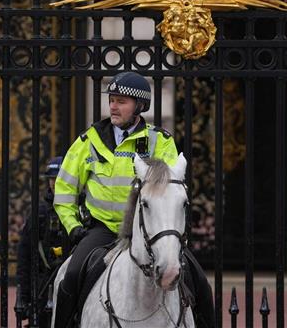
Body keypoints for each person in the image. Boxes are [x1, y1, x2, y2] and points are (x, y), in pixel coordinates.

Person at [51, 71, 214, 328]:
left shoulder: (160, 141)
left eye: (121, 101)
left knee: (201, 283)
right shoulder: (88, 141)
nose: (114, 106)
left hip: (149, 232)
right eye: (112, 100)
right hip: (102, 230)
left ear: (139, 106)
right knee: (70, 277)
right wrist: (75, 228)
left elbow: (172, 191)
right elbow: (64, 191)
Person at [16, 156, 69, 328]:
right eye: (52, 179)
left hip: (69, 281)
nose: (54, 183)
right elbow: (25, 256)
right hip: (42, 286)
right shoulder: (39, 212)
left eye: (59, 178)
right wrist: (24, 298)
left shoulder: (81, 209)